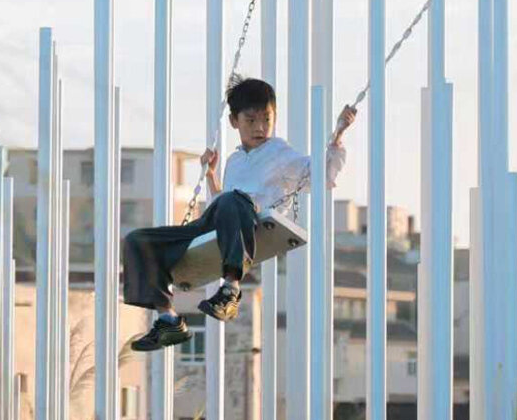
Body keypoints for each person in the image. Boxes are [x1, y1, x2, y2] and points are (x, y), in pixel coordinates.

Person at [123, 77, 356, 351]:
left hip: (254, 221)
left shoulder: (279, 152)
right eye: (250, 120)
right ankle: (167, 318)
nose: (259, 128)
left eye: (266, 119)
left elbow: (320, 174)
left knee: (234, 201)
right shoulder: (234, 160)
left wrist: (339, 133)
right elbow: (221, 203)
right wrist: (211, 175)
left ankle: (230, 289)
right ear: (234, 121)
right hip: (218, 222)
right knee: (138, 240)